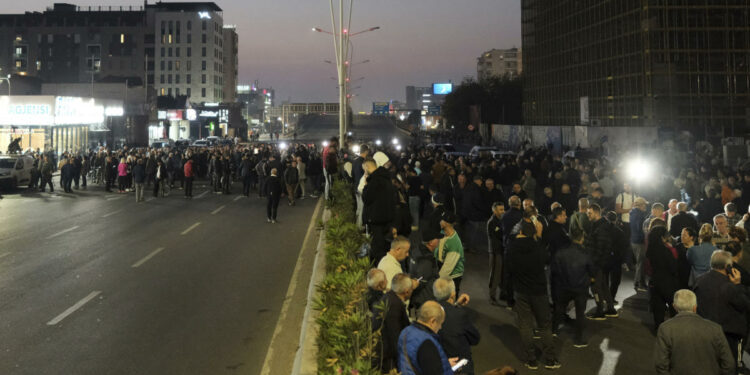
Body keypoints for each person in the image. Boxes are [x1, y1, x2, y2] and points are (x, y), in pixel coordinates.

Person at [508, 218, 560, 370]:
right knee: (544, 325)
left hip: (521, 290)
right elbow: (547, 259)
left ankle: (531, 359)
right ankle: (550, 359)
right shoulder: (538, 247)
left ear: (521, 231)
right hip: (539, 291)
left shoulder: (512, 248)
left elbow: (509, 270)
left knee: (525, 325)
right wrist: (539, 237)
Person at [653, 289, 734, 375]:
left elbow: (661, 364)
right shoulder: (715, 329)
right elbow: (729, 364)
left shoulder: (666, 328)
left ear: (674, 306)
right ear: (695, 307)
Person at [694, 250, 750, 369]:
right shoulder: (730, 286)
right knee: (728, 366)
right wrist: (738, 285)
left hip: (705, 331)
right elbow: (744, 304)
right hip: (727, 334)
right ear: (728, 266)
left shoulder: (699, 281)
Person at [552, 228, 594, 348]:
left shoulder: (561, 252)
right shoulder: (586, 253)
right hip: (580, 287)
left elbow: (555, 271)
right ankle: (578, 339)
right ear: (582, 238)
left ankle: (553, 330)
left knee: (559, 308)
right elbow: (592, 270)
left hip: (563, 286)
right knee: (580, 313)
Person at [433, 277, 480, 375]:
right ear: (453, 294)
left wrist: (456, 305)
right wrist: (456, 308)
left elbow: (445, 312)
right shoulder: (459, 315)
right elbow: (475, 338)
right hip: (458, 366)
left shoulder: (428, 312)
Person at [397, 301, 458, 375]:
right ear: (433, 321)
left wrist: (442, 363)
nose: (440, 327)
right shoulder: (427, 342)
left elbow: (418, 361)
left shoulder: (405, 331)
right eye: (440, 323)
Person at [373, 273, 413, 373]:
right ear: (407, 291)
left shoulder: (388, 297)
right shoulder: (395, 306)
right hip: (387, 359)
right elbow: (395, 336)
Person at [585, 203, 618, 320]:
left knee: (595, 287)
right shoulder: (601, 225)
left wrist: (594, 264)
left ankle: (600, 311)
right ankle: (610, 309)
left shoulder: (601, 227)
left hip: (598, 263)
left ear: (596, 212)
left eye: (589, 213)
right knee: (604, 286)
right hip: (602, 262)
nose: (587, 215)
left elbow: (600, 248)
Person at [647, 226, 681, 329]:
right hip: (668, 282)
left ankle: (659, 328)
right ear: (661, 237)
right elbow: (673, 267)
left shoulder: (650, 250)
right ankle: (674, 329)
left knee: (658, 308)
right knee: (673, 307)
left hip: (655, 280)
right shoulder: (665, 250)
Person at [363, 157, 396, 264]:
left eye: (364, 169)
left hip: (376, 219)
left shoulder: (374, 181)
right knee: (385, 247)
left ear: (367, 166)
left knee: (377, 249)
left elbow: (367, 198)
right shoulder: (386, 178)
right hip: (387, 218)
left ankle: (379, 271)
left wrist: (365, 186)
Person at [437, 211, 466, 292]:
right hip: (442, 269)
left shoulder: (454, 243)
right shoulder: (442, 232)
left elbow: (447, 268)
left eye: (441, 220)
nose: (439, 222)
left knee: (449, 300)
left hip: (452, 276)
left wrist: (437, 282)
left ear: (446, 223)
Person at [487, 201, 505, 305]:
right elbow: (495, 238)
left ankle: (502, 293)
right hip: (495, 252)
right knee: (495, 274)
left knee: (502, 274)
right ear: (494, 211)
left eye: (503, 209)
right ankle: (492, 296)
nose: (503, 211)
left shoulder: (502, 219)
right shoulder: (492, 222)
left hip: (502, 251)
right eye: (500, 209)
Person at [630, 197, 649, 291]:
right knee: (640, 264)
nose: (645, 206)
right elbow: (639, 228)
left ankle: (641, 283)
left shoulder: (633, 213)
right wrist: (645, 232)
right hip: (639, 241)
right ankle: (638, 284)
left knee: (639, 263)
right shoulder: (639, 215)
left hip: (634, 240)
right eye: (644, 204)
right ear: (640, 205)